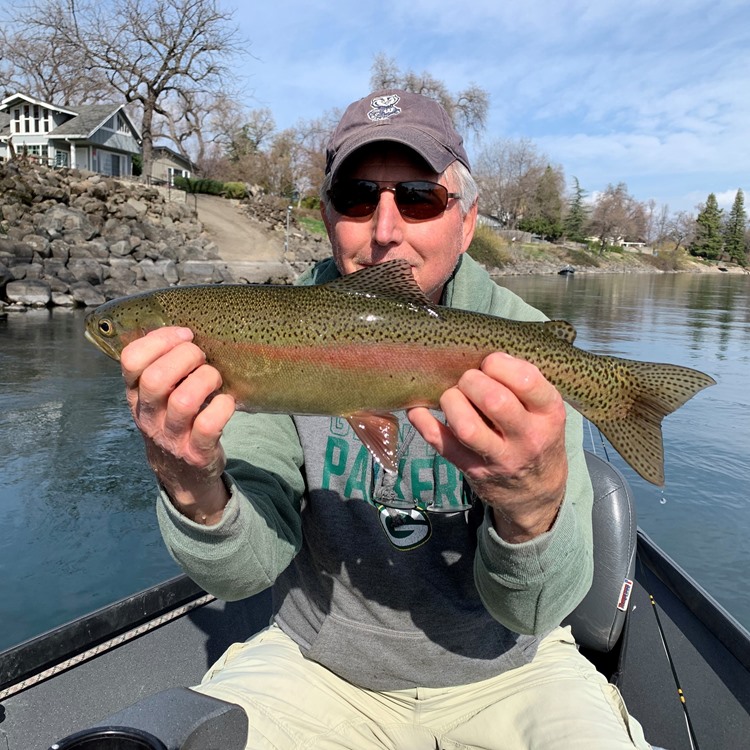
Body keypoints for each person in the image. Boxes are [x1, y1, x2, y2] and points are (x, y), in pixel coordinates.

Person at [120, 90, 651, 749]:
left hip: (513, 666)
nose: (385, 229)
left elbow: (538, 611)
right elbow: (243, 574)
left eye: (420, 197)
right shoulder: (271, 335)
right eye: (358, 197)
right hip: (319, 668)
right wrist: (189, 482)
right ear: (327, 216)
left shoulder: (525, 343)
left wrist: (532, 508)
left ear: (467, 218)